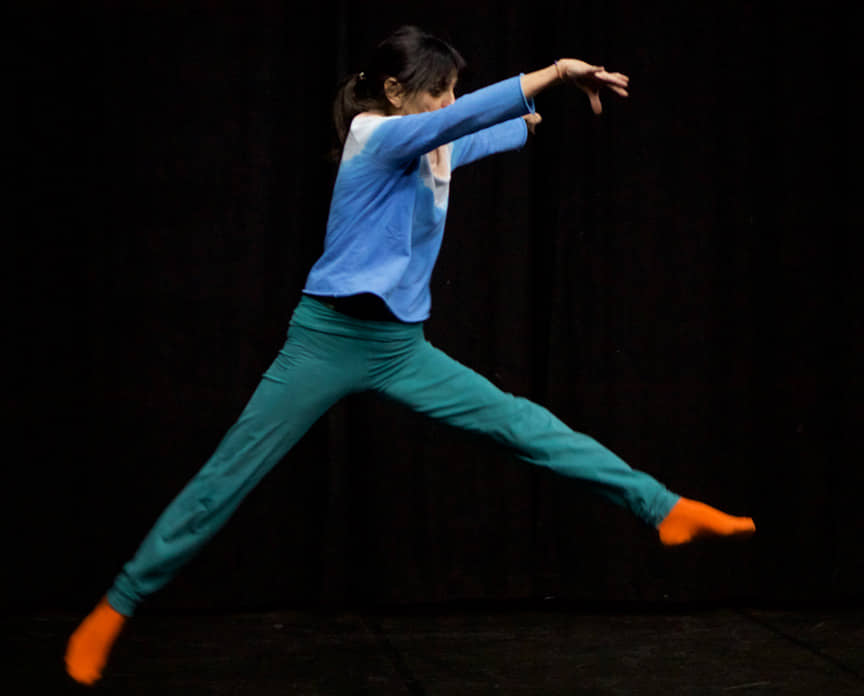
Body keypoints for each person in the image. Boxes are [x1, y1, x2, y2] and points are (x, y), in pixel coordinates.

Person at [64, 26, 755, 686]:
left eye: (457, 90)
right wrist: (549, 76)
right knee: (227, 477)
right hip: (326, 340)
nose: (450, 104)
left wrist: (527, 123)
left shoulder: (432, 145)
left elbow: (468, 136)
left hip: (400, 348)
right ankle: (116, 606)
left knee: (523, 425)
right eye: (438, 91)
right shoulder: (374, 136)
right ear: (394, 92)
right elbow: (454, 126)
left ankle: (662, 507)